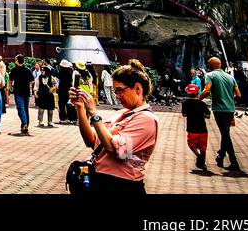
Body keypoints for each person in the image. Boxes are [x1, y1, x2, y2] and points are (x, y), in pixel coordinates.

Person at [71, 59, 159, 195]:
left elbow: (116, 150)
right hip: (105, 182)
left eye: (120, 91)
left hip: (123, 186)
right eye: (115, 91)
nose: (117, 96)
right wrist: (81, 108)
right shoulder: (122, 114)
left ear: (137, 88)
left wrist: (93, 113)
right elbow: (91, 140)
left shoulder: (146, 119)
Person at [201, 57, 244, 174]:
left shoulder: (210, 75)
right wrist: (229, 99)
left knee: (225, 134)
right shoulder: (230, 77)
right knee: (225, 133)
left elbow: (207, 90)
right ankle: (220, 156)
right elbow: (239, 95)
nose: (208, 66)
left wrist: (198, 100)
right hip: (230, 109)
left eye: (208, 64)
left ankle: (234, 161)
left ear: (212, 65)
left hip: (219, 109)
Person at [181, 83, 212, 171]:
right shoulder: (202, 104)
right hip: (202, 128)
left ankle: (198, 156)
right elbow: (208, 115)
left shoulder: (185, 103)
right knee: (203, 146)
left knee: (191, 143)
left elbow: (184, 114)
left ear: (188, 93)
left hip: (191, 128)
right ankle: (203, 163)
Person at [9, 57, 34, 135]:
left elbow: (10, 79)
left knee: (20, 108)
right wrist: (29, 86)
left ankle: (24, 123)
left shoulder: (14, 70)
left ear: (17, 61)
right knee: (25, 108)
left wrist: (11, 87)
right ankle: (25, 125)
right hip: (26, 91)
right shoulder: (27, 70)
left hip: (18, 91)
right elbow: (32, 80)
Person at [35, 61, 58, 127]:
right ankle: (40, 121)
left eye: (43, 70)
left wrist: (54, 88)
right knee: (41, 109)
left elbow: (56, 84)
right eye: (41, 70)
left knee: (50, 109)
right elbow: (36, 85)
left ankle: (50, 121)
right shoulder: (39, 78)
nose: (42, 72)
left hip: (49, 95)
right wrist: (35, 92)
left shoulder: (51, 78)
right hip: (41, 94)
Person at [57, 59, 74, 123]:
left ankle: (63, 118)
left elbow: (60, 82)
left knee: (61, 105)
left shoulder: (61, 73)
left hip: (62, 90)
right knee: (69, 104)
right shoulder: (70, 72)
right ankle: (71, 118)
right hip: (68, 90)